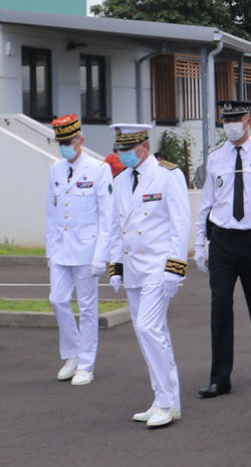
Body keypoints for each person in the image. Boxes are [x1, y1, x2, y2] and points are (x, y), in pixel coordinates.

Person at [193, 100, 251, 399]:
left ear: (249, 120)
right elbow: (206, 203)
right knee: (220, 305)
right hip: (223, 238)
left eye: (237, 119)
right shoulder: (215, 158)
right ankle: (220, 378)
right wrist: (199, 242)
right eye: (226, 120)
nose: (232, 124)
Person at [105, 123, 189, 428]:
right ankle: (164, 399)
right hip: (134, 268)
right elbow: (118, 227)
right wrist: (115, 267)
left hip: (158, 265)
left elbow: (181, 224)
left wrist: (175, 268)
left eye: (127, 149)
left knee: (149, 328)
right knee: (149, 335)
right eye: (120, 150)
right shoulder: (121, 178)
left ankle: (167, 402)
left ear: (143, 145)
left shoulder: (168, 175)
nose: (123, 155)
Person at [44, 115, 113, 386]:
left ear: (80, 140)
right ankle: (72, 354)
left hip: (87, 249)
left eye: (69, 142)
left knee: (87, 308)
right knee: (57, 299)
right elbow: (51, 212)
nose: (65, 147)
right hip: (61, 249)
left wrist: (101, 255)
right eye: (61, 142)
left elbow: (107, 216)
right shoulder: (55, 170)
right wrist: (50, 251)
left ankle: (86, 363)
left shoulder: (98, 169)